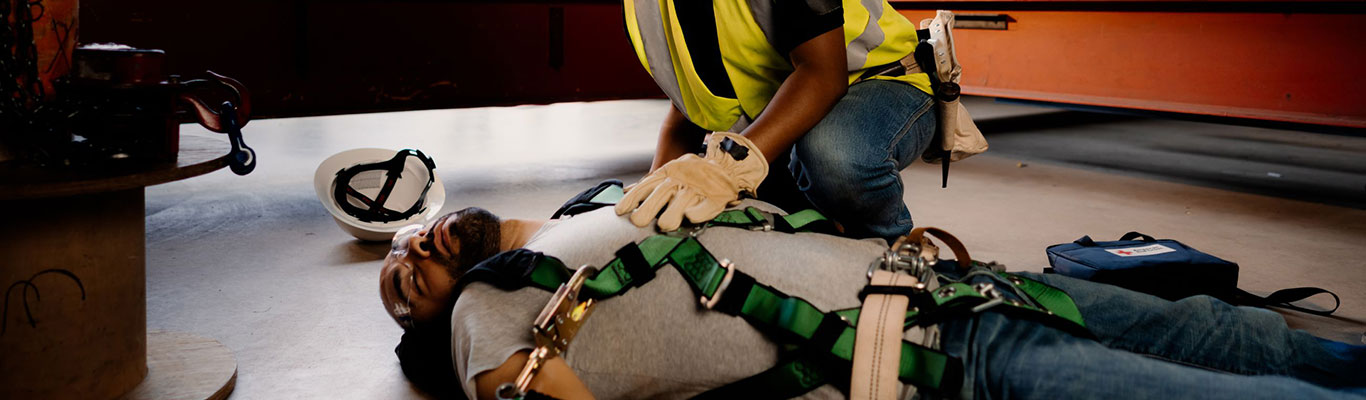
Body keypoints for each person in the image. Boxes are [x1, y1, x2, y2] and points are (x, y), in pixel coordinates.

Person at [379, 198, 1365, 400]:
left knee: (1228, 334)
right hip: (931, 356)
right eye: (396, 284)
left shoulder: (580, 214)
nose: (407, 250)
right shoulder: (480, 314)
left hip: (967, 286)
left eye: (405, 238)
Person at [613, 0, 942, 242]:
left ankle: (892, 251)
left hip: (883, 79)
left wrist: (729, 166)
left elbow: (823, 77)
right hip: (785, 112)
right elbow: (690, 100)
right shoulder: (645, 6)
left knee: (832, 155)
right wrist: (652, 190)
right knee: (745, 223)